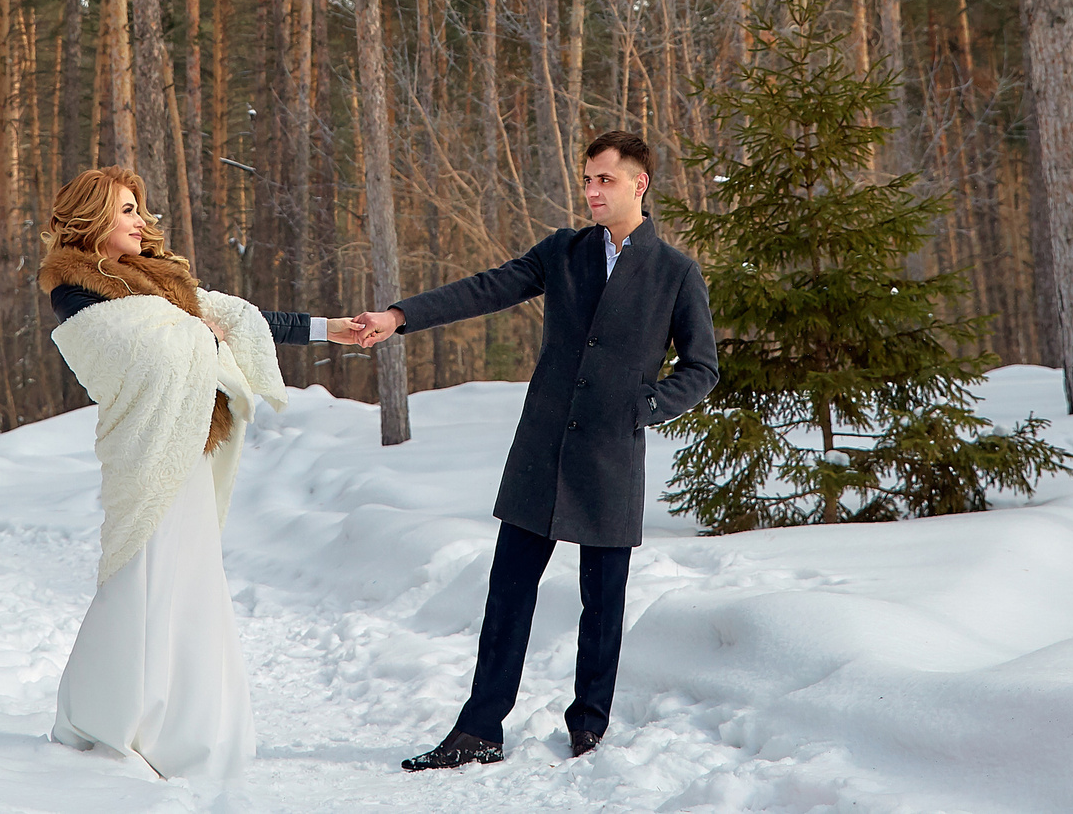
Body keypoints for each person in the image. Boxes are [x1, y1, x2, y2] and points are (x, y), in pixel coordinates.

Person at [348, 129, 717, 769]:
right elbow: (485, 288)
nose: (593, 190)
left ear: (640, 183)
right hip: (542, 449)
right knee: (509, 593)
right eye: (588, 179)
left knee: (603, 602)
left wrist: (643, 406)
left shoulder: (675, 273)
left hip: (610, 453)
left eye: (605, 178)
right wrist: (399, 316)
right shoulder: (564, 252)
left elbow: (701, 367)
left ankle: (590, 726)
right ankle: (480, 727)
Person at [39, 164, 365, 783]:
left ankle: (187, 727)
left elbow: (238, 317)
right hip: (144, 454)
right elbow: (145, 351)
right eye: (127, 210)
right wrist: (196, 334)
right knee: (139, 579)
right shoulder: (74, 287)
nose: (142, 221)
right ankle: (112, 718)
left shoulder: (155, 279)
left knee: (188, 581)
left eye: (140, 208)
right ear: (91, 217)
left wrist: (332, 330)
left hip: (188, 444)